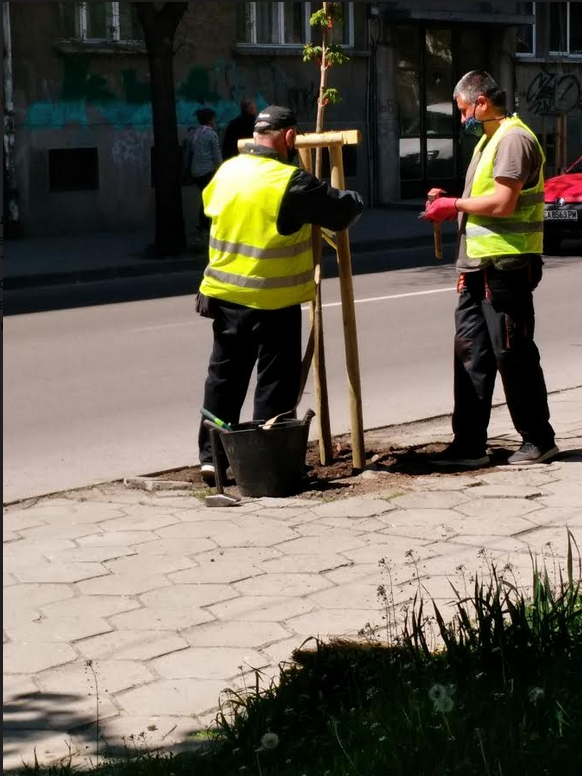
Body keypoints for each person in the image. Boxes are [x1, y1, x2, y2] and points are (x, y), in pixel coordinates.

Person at [196, 104, 364, 484]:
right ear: (290, 138)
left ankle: (212, 458)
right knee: (275, 384)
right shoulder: (290, 181)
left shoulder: (227, 172)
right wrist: (354, 198)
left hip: (224, 297)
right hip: (274, 301)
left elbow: (210, 209)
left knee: (224, 379)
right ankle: (266, 464)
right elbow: (342, 211)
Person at [421, 70, 558, 468]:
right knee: (470, 355)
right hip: (478, 266)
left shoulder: (513, 138)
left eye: (464, 109)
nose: (462, 117)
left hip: (507, 266)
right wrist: (451, 202)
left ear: (481, 103)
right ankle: (469, 444)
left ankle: (538, 439)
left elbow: (502, 203)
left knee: (511, 353)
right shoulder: (490, 138)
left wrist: (455, 207)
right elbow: (484, 199)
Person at [184, 108, 222, 232]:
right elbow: (217, 156)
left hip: (196, 172)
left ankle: (204, 224)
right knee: (210, 198)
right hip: (206, 171)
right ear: (210, 120)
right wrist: (221, 170)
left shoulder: (196, 133)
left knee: (207, 196)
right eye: (213, 119)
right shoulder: (211, 134)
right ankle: (204, 224)